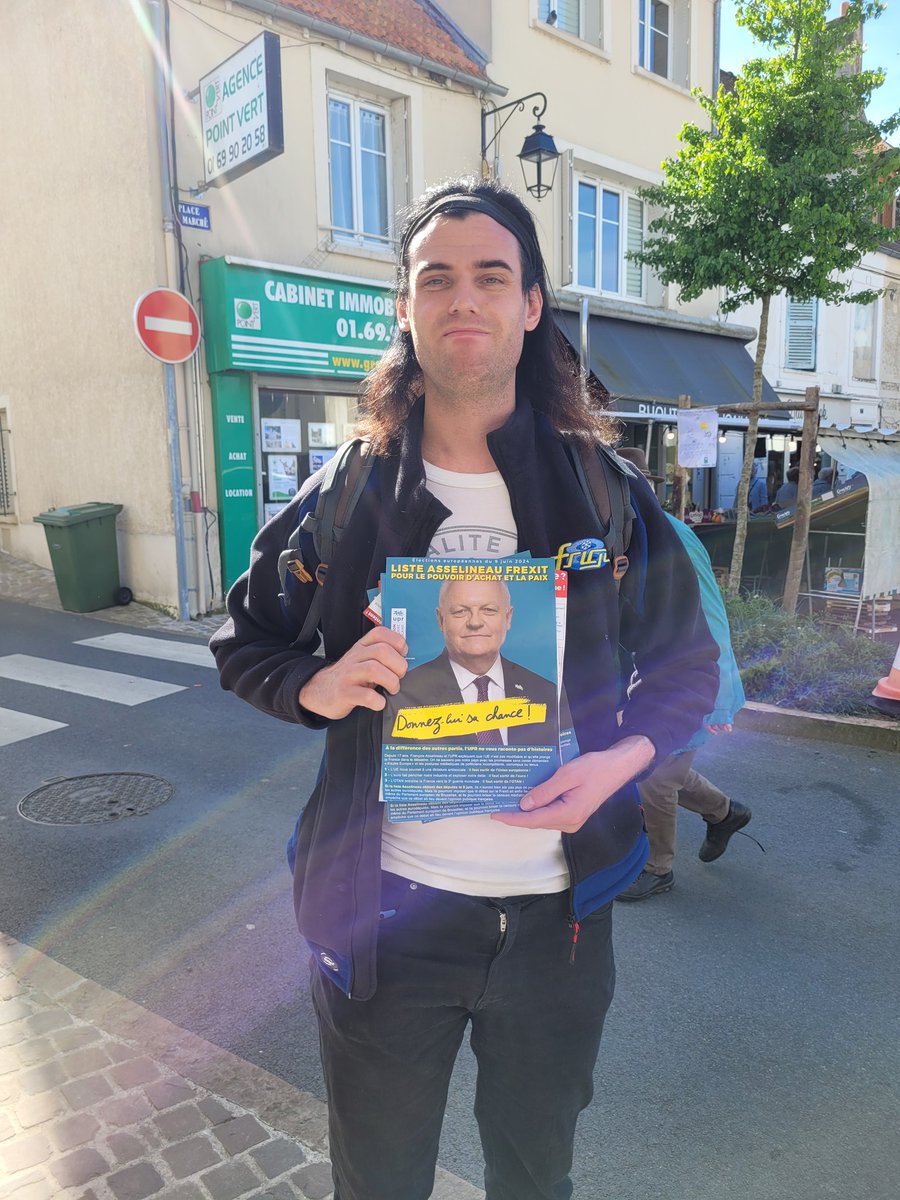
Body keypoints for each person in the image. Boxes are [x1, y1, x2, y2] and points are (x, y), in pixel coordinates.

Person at [210, 176, 719, 1200]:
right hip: (385, 918)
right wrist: (316, 686)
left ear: (532, 305)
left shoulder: (605, 494)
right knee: (381, 1179)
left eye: (493, 276)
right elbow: (246, 638)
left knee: (535, 1177)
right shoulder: (347, 492)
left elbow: (686, 673)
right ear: (406, 306)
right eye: (435, 278)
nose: (464, 300)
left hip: (557, 930)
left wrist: (618, 762)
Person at [614, 447, 750, 901]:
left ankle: (658, 868)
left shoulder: (655, 536)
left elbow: (693, 620)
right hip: (688, 672)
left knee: (653, 777)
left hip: (695, 675)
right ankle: (725, 813)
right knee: (668, 765)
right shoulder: (659, 529)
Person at [384, 577, 559, 747]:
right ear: (440, 620)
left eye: (489, 610)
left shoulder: (546, 692)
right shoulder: (401, 695)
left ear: (508, 618)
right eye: (460, 611)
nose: (475, 622)